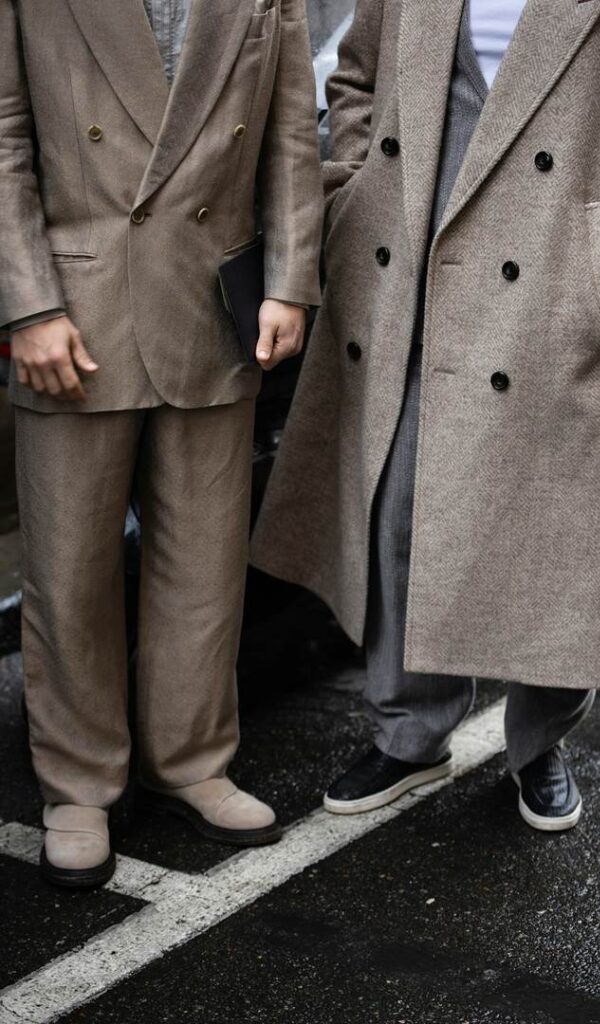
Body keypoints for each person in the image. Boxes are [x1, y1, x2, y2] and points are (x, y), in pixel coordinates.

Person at [252, 0, 600, 829]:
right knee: (401, 503)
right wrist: (351, 189)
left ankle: (541, 741)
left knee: (553, 526)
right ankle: (408, 734)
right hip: (408, 253)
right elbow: (356, 76)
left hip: (558, 273)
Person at [0, 0, 323, 888]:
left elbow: (292, 134)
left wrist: (290, 281)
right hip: (75, 313)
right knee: (69, 567)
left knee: (204, 561)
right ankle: (78, 785)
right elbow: (4, 141)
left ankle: (190, 761)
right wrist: (27, 306)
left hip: (212, 301)